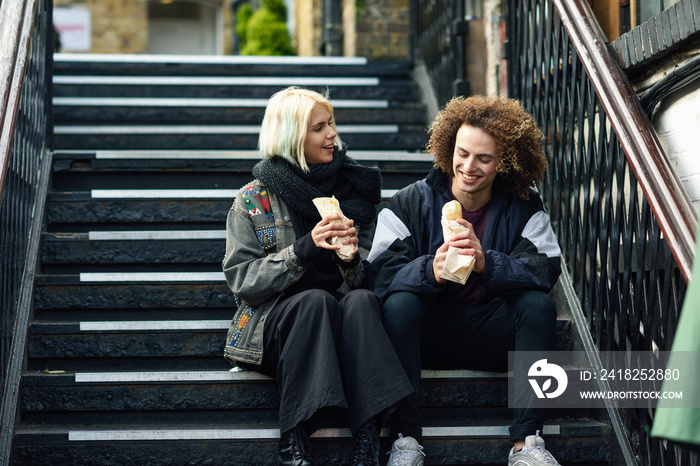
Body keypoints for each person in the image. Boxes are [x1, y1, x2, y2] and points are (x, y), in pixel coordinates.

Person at [222, 86, 414, 466]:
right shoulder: (253, 200)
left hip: (343, 324)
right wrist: (302, 249)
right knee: (315, 301)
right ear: (293, 137)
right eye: (319, 128)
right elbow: (243, 281)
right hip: (277, 324)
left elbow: (368, 280)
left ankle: (368, 440)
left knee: (361, 301)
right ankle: (292, 438)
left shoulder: (352, 191)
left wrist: (352, 257)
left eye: (332, 124)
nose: (332, 135)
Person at [368, 95, 563, 466]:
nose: (468, 167)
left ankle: (527, 444)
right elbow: (379, 273)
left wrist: (485, 263)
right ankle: (406, 441)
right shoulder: (409, 202)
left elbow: (543, 269)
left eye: (484, 158)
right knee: (398, 304)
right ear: (448, 148)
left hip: (494, 332)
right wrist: (431, 270)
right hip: (430, 334)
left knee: (537, 305)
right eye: (462, 153)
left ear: (504, 161)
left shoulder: (524, 205)